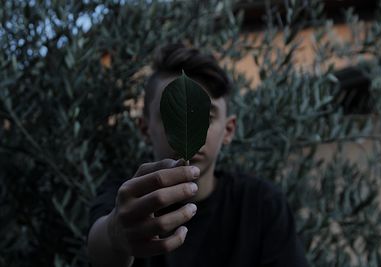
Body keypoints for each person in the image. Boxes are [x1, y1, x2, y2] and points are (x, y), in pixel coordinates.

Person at [87, 43, 309, 267]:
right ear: (145, 129)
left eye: (206, 116)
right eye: (172, 114)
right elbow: (100, 246)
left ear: (229, 130)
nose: (192, 126)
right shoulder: (125, 196)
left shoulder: (262, 204)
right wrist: (115, 233)